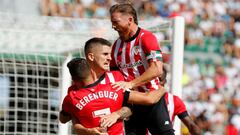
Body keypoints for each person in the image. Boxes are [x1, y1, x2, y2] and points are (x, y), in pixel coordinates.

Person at [60, 58, 166, 135]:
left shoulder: (71, 98)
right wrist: (162, 89)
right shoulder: (114, 87)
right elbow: (137, 105)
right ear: (92, 72)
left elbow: (63, 119)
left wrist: (86, 129)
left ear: (74, 81)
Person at [109, 3, 170, 135]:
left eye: (116, 22)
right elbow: (114, 75)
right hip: (131, 103)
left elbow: (157, 69)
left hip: (152, 99)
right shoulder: (116, 45)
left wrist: (131, 83)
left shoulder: (147, 38)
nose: (113, 26)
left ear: (130, 20)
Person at [101, 66, 202, 135]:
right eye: (153, 79)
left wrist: (194, 129)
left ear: (165, 81)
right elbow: (127, 111)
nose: (156, 82)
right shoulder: (136, 98)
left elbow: (189, 123)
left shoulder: (174, 100)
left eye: (160, 80)